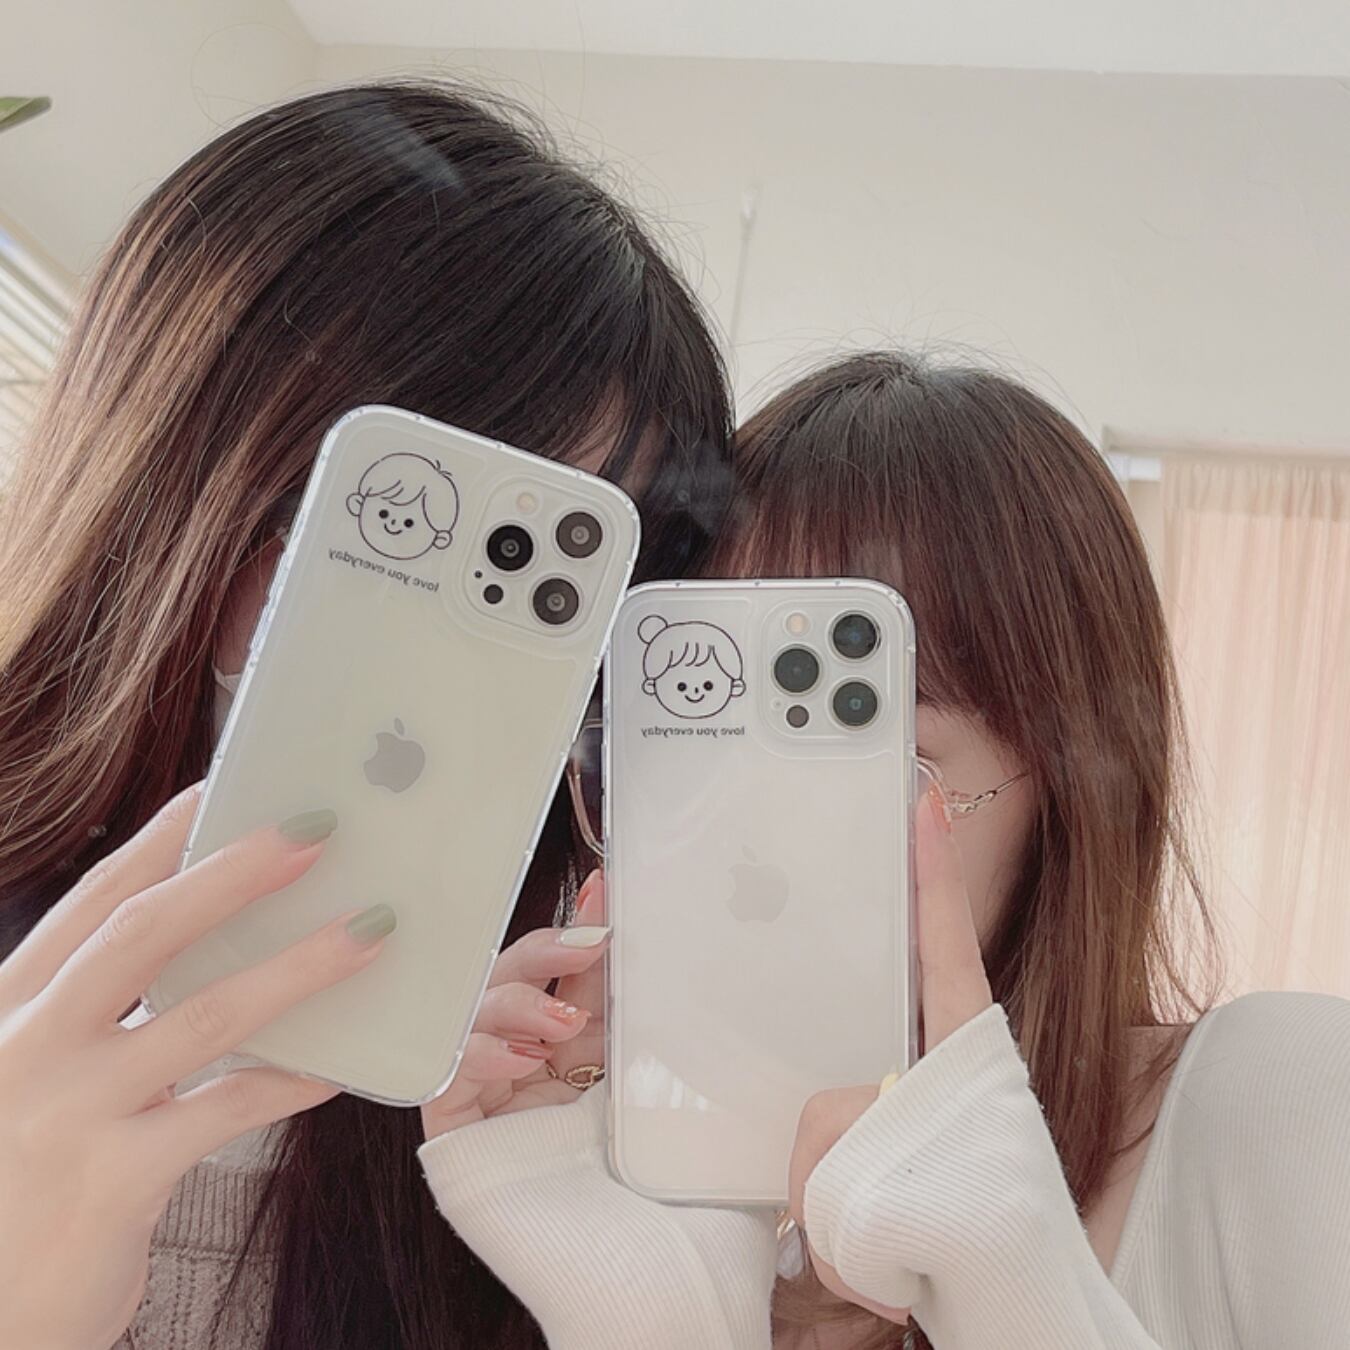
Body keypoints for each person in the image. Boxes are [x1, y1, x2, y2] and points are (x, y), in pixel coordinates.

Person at [415, 352, 1350, 1349]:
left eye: (857, 759)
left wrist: (1019, 1283)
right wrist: (653, 1317)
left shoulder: (1286, 1101)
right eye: (705, 749)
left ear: (1067, 784)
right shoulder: (692, 1218)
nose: (758, 847)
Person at [0, 82, 734, 1350]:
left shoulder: (511, 1097)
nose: (444, 663)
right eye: (395, 534)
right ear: (192, 463)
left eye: (548, 600)